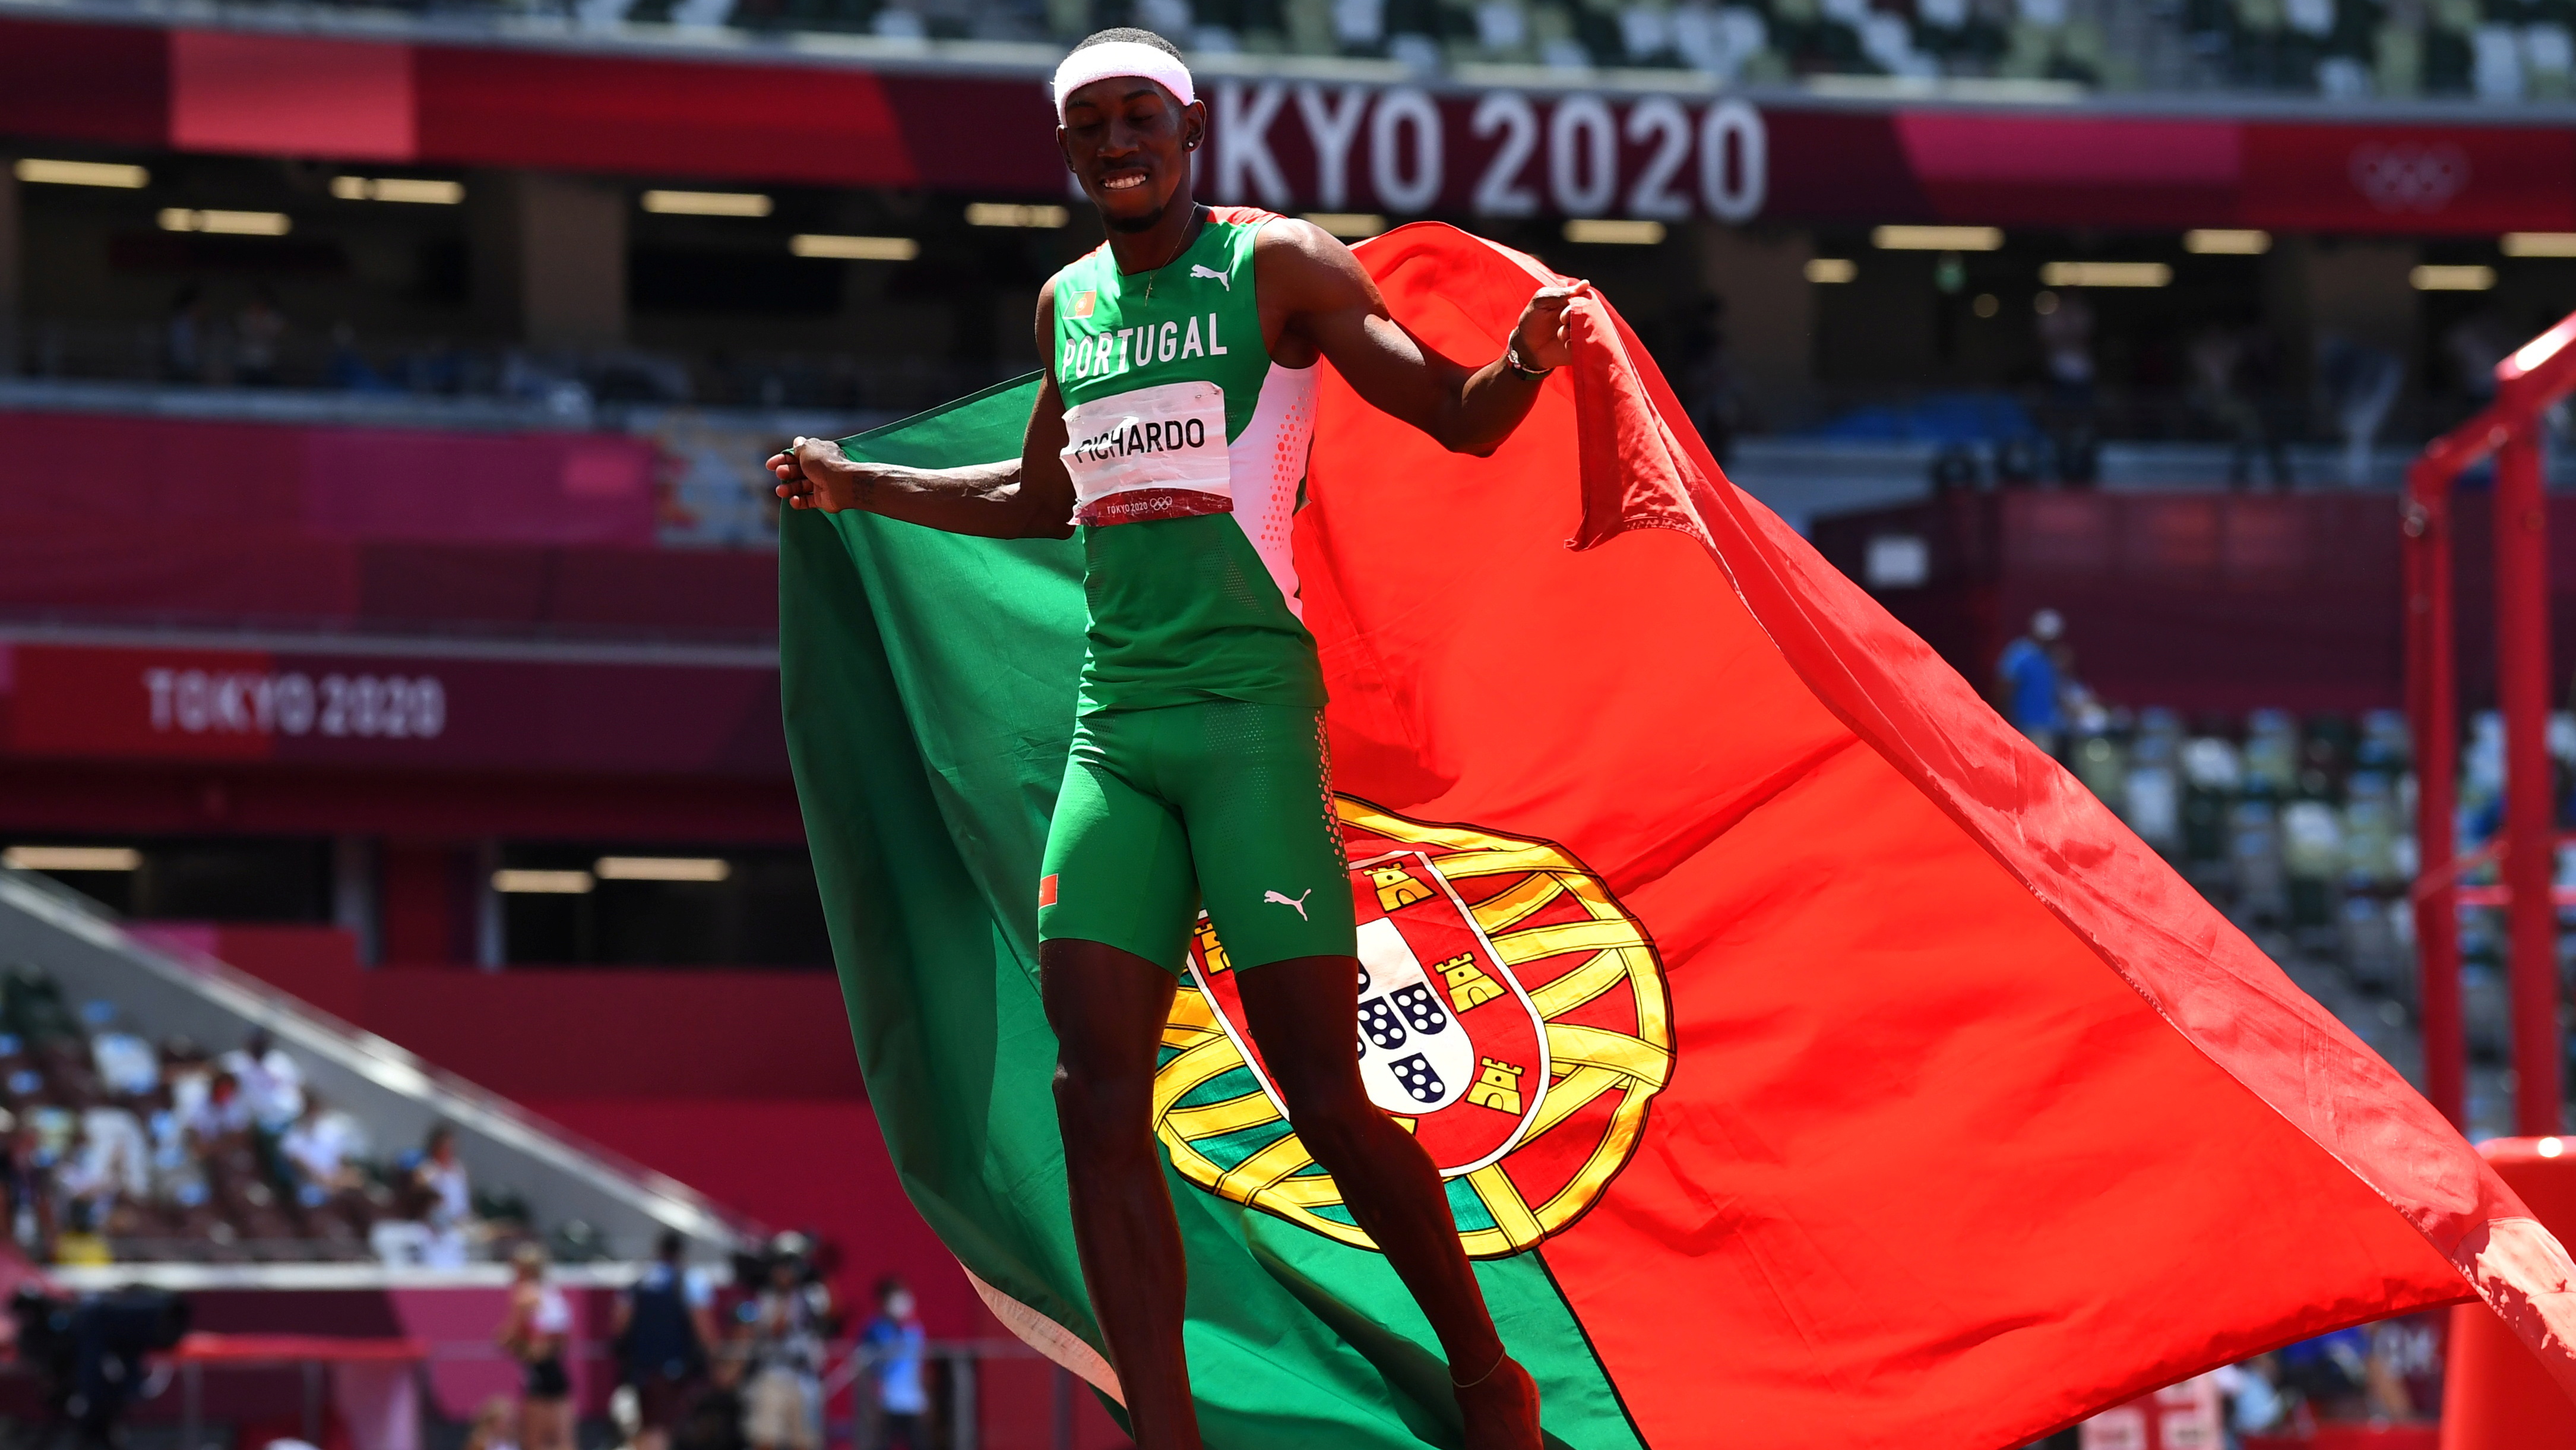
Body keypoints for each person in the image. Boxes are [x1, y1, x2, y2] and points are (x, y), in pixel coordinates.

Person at [767, 29, 1570, 1450]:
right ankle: (1166, 1428)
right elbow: (1038, 497)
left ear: (1190, 128)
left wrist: (1520, 357)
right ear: (1069, 152)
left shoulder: (1280, 268)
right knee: (1093, 1088)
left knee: (1322, 1087)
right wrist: (857, 484)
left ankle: (1481, 1370)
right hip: (1115, 734)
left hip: (1249, 725)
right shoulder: (1066, 303)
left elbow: (1452, 415)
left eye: (1140, 116)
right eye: (1089, 125)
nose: (1115, 142)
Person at [616, 1230, 718, 1450]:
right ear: (681, 1253)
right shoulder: (689, 1281)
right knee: (662, 1429)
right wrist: (712, 1356)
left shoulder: (640, 1280)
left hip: (641, 1368)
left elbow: (619, 1322)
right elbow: (703, 1326)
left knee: (647, 1425)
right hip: (674, 1369)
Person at [739, 1243, 830, 1450]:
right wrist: (787, 1297)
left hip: (803, 1377)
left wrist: (816, 1278)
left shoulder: (810, 1295)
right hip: (774, 1374)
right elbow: (776, 1330)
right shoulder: (768, 1298)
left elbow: (830, 1317)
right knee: (766, 1438)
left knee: (806, 1440)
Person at [498, 1243, 574, 1450]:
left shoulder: (525, 1295)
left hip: (538, 1369)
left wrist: (504, 1340)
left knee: (535, 1441)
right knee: (563, 1439)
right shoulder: (555, 1295)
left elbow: (511, 1336)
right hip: (558, 1371)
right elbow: (563, 1340)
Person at [858, 1277, 927, 1450]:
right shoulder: (874, 1329)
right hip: (885, 1402)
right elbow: (867, 1364)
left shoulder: (915, 1329)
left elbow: (919, 1366)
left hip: (913, 1402)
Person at [1994, 608, 2069, 756]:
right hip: (2026, 724)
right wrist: (2006, 720)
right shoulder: (2020, 653)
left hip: (2049, 725)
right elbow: (2004, 687)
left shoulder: (2052, 658)